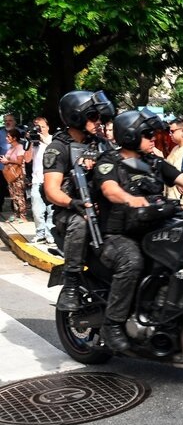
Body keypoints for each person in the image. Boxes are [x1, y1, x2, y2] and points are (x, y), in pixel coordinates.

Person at [94, 109, 183, 350]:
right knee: (132, 261)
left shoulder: (153, 162)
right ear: (131, 135)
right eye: (147, 134)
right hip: (117, 236)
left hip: (152, 230)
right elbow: (109, 189)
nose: (153, 138)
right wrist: (129, 199)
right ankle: (112, 324)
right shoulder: (110, 161)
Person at [44, 90, 114, 311]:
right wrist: (73, 203)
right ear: (76, 117)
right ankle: (72, 283)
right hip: (71, 212)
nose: (98, 122)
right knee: (81, 221)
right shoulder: (58, 148)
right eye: (93, 117)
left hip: (102, 209)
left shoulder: (102, 144)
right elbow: (51, 190)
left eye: (98, 117)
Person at [24, 120, 54, 244]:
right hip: (37, 179)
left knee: (51, 210)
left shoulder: (53, 140)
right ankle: (40, 233)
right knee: (37, 210)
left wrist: (43, 139)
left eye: (42, 127)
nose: (40, 129)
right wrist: (30, 142)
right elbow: (27, 159)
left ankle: (50, 233)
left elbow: (54, 149)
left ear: (48, 127)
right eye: (37, 127)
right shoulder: (33, 142)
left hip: (51, 179)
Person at [1, 128, 27, 222]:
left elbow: (20, 161)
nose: (6, 138)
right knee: (13, 196)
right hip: (10, 176)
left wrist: (8, 161)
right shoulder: (11, 148)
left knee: (19, 195)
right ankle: (16, 214)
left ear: (14, 138)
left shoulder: (19, 147)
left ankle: (23, 216)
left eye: (8, 136)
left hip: (17, 175)